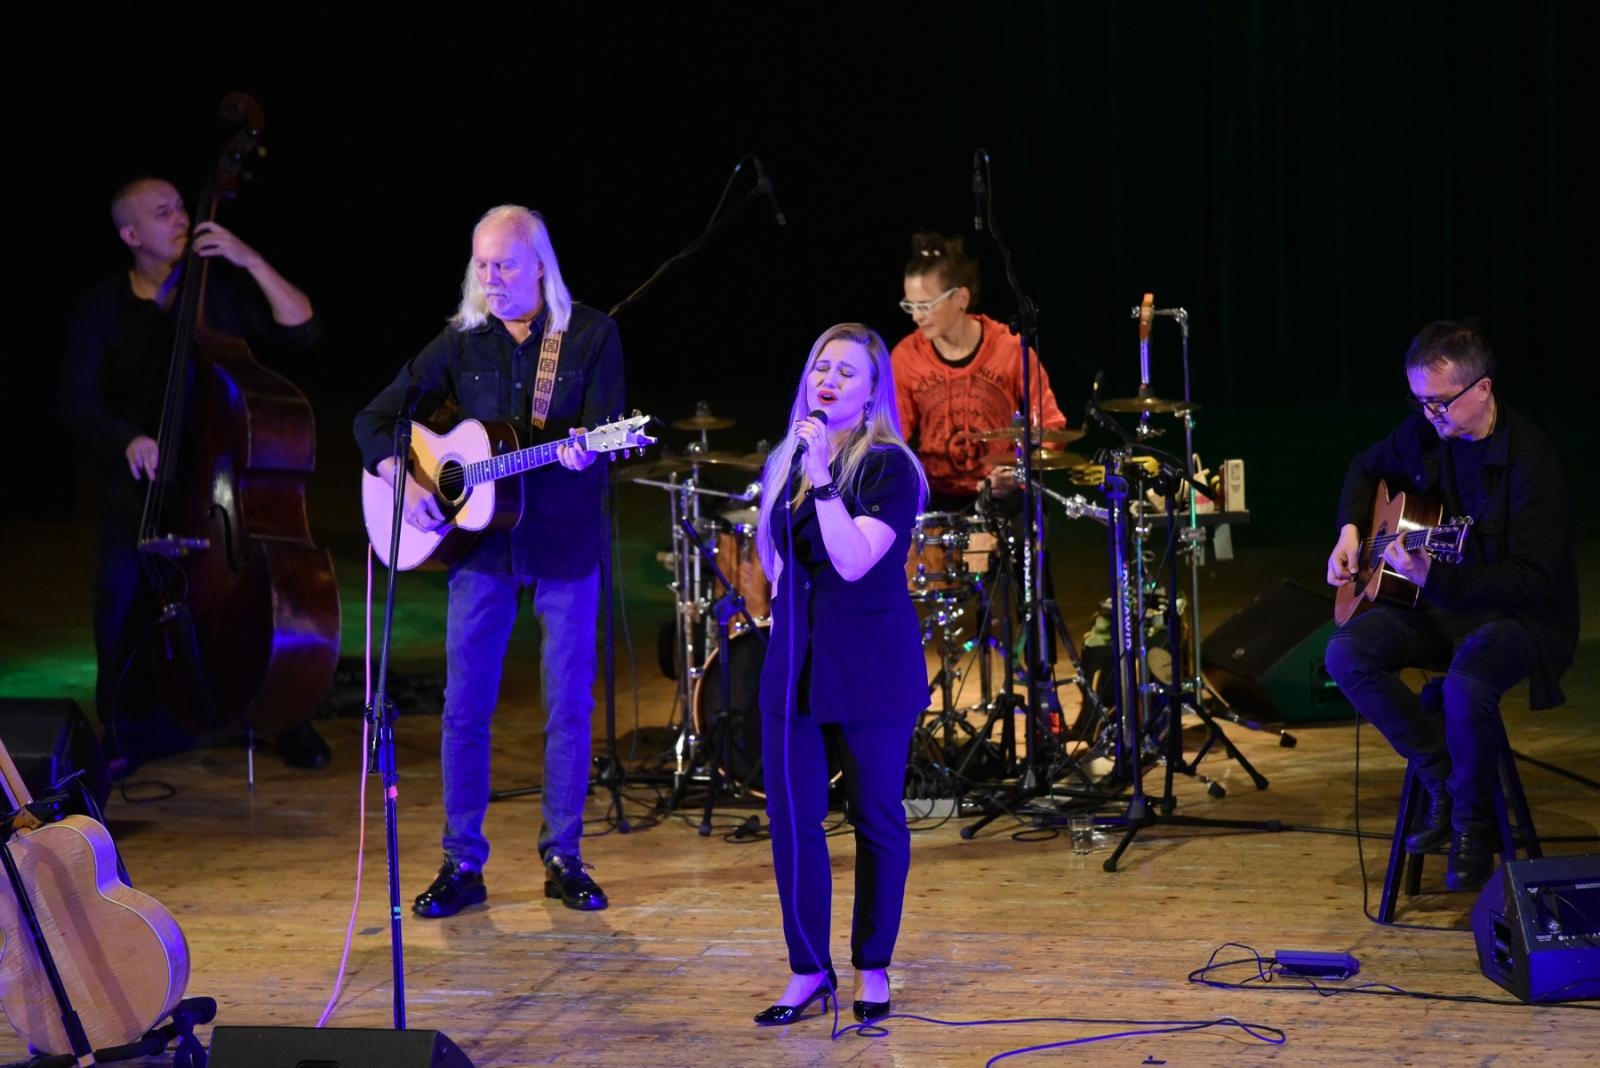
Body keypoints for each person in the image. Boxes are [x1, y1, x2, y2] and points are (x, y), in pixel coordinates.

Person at [353, 205, 623, 916]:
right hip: (479, 547)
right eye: (481, 263)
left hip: (564, 542)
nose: (490, 277)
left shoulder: (591, 335)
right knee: (464, 706)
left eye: (504, 264)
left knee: (568, 704)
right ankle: (461, 861)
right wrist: (401, 474)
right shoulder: (461, 341)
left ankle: (564, 854)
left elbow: (605, 439)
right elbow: (372, 420)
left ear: (540, 264)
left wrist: (579, 452)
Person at [59, 176, 330, 772]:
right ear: (132, 235)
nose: (182, 217)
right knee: (121, 594)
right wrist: (124, 437)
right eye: (164, 213)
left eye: (182, 205)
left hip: (218, 487)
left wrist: (248, 258)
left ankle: (283, 711)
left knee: (257, 596)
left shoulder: (219, 289)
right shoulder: (101, 308)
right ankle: (124, 728)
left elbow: (303, 328)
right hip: (142, 488)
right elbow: (75, 398)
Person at [1324, 321, 1577, 891]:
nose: (1428, 416)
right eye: (1419, 403)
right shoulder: (1424, 431)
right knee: (1346, 654)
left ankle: (1473, 825)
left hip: (1516, 619)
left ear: (1482, 389)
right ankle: (1440, 772)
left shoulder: (1533, 463)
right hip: (1436, 603)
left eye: (1439, 404)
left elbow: (1529, 580)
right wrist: (1347, 531)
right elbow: (1365, 468)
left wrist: (1435, 576)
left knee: (1467, 685)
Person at [751, 323, 929, 1025]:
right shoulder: (785, 458)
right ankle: (808, 971)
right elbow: (772, 561)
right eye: (821, 365)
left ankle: (874, 965)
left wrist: (823, 477)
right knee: (792, 821)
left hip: (872, 669)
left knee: (876, 818)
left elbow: (854, 562)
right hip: (794, 665)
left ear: (873, 391)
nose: (828, 380)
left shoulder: (890, 468)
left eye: (846, 372)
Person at [891, 231, 1068, 512]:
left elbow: (1051, 425)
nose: (916, 316)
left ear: (961, 297)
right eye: (910, 305)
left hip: (1001, 495)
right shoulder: (905, 356)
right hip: (935, 498)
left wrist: (1018, 469)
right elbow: (892, 433)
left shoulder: (1010, 349)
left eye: (925, 305)